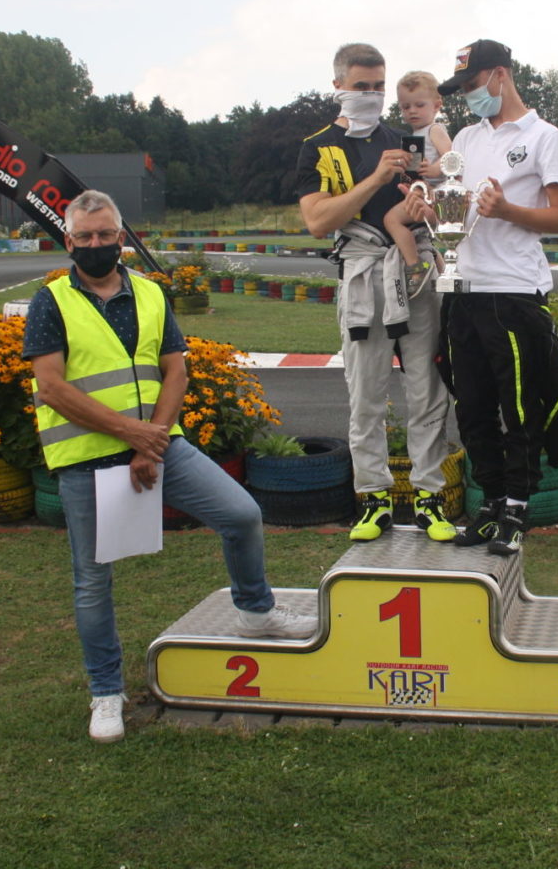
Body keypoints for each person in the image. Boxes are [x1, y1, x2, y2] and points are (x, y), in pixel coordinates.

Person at [26, 189, 316, 744]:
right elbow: (52, 388)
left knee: (241, 514)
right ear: (68, 241)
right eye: (84, 236)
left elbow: (175, 372)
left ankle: (256, 612)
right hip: (87, 458)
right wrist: (130, 434)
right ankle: (106, 692)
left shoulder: (151, 293)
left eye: (104, 234)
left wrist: (149, 443)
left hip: (159, 448)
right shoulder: (51, 302)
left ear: (121, 237)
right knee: (93, 580)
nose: (94, 243)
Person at [407, 39, 558, 556]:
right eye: (461, 88)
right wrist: (427, 209)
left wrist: (507, 211)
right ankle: (490, 504)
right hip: (465, 288)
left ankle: (518, 509)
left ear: (500, 75)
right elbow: (455, 209)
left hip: (515, 292)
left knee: (519, 408)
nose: (468, 95)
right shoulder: (465, 137)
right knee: (472, 408)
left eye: (473, 84)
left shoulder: (544, 136)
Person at [294, 44, 454, 544]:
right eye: (361, 86)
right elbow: (318, 222)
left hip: (414, 273)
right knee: (365, 393)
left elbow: (432, 199)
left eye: (379, 86)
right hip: (364, 275)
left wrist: (425, 203)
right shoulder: (318, 147)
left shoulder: (406, 139)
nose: (372, 94)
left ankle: (430, 496)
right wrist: (378, 178)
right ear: (338, 85)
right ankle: (374, 498)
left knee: (427, 389)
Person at [381, 71, 451, 298]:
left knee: (391, 220)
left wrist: (434, 169)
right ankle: (439, 270)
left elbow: (452, 157)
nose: (412, 111)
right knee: (421, 234)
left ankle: (414, 266)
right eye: (405, 107)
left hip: (436, 193)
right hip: (421, 191)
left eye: (419, 105)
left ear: (437, 105)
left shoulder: (434, 129)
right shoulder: (412, 136)